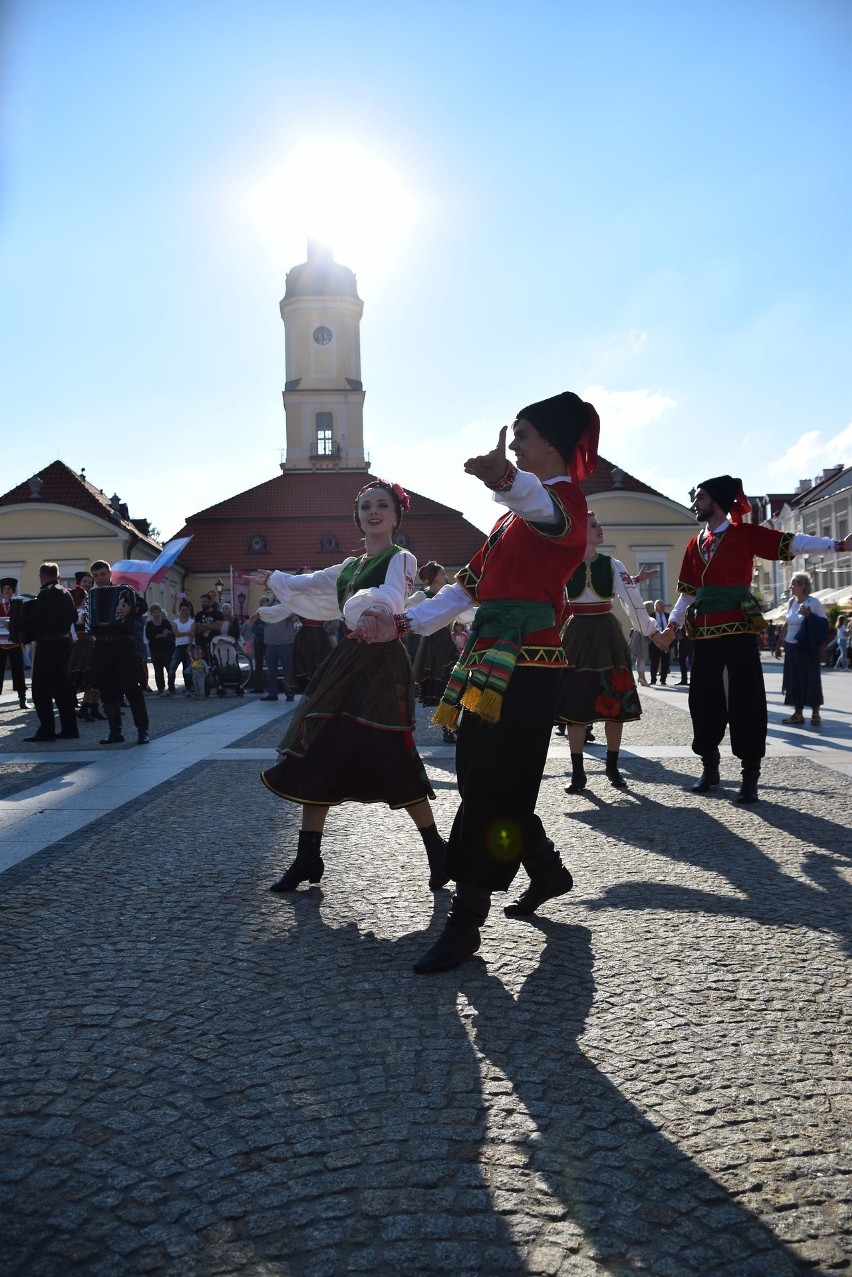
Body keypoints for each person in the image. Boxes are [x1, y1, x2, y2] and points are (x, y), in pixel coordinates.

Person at [355, 390, 597, 974]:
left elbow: (544, 507)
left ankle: (466, 922)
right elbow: (467, 588)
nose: (514, 443)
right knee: (491, 780)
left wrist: (507, 477)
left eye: (524, 435)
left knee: (492, 788)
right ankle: (544, 867)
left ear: (553, 444)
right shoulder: (508, 518)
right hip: (489, 660)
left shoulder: (565, 505)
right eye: (513, 437)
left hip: (530, 667)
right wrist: (404, 624)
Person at [255, 479, 448, 894]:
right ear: (357, 517)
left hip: (381, 662)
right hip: (347, 660)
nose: (373, 512)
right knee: (316, 746)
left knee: (391, 752)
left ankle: (437, 850)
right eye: (365, 507)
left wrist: (364, 607)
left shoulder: (402, 558)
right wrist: (274, 577)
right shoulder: (349, 566)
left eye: (382, 505)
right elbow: (309, 585)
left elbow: (392, 596)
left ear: (397, 515)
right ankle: (308, 857)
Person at [655, 475, 852, 803]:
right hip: (703, 630)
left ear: (716, 501)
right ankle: (710, 766)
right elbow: (687, 594)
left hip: (739, 628)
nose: (695, 504)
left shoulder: (744, 534)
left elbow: (790, 542)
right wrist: (671, 627)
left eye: (700, 498)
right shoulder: (694, 543)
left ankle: (750, 776)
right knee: (702, 700)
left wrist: (837, 546)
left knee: (746, 699)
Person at [556, 512, 658, 793]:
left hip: (606, 634)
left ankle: (612, 767)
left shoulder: (613, 564)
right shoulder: (564, 564)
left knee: (614, 701)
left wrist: (650, 630)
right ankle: (578, 773)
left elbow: (632, 603)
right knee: (576, 707)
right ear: (579, 532)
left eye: (599, 524)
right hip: (575, 634)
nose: (600, 528)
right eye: (592, 525)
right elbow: (550, 598)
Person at [88, 560, 150, 745]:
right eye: (96, 575)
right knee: (107, 689)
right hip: (102, 646)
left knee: (132, 688)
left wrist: (131, 608)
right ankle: (115, 732)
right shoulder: (91, 596)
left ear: (109, 574)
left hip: (123, 645)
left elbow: (143, 606)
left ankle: (143, 730)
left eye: (103, 574)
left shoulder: (124, 591)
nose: (100, 578)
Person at [21, 563, 79, 742]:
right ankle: (70, 729)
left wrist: (19, 622)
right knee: (63, 689)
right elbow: (75, 617)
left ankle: (47, 730)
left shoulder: (45, 594)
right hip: (63, 644)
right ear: (58, 576)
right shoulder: (66, 593)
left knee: (41, 689)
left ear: (42, 576)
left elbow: (35, 620)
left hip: (47, 646)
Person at [773, 573, 828, 727]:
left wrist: (809, 615)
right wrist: (779, 644)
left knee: (811, 678)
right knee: (794, 679)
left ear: (802, 585)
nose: (790, 587)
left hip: (806, 647)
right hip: (791, 647)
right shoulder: (791, 602)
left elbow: (823, 625)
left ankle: (815, 713)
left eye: (793, 584)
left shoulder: (814, 603)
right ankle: (798, 714)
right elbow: (787, 623)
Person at [0, 577, 27, 709]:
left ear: (13, 591)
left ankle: (22, 699)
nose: (7, 591)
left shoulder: (19, 605)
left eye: (9, 589)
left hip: (15, 643)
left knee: (18, 671)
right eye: (4, 589)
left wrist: (13, 624)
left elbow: (23, 622)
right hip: (0, 645)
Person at [261, 608, 298, 702]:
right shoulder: (268, 607)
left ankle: (289, 692)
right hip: (270, 642)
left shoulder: (287, 606)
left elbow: (294, 616)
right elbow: (261, 612)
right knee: (271, 670)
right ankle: (272, 692)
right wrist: (271, 602)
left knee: (288, 669)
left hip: (285, 642)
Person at [145, 604, 175, 695]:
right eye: (154, 613)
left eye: (158, 612)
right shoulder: (149, 624)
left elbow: (172, 633)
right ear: (151, 614)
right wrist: (162, 635)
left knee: (169, 668)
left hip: (167, 649)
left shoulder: (165, 622)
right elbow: (149, 636)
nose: (157, 614)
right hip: (155, 650)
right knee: (158, 670)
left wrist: (167, 633)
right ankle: (160, 688)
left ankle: (171, 687)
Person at [167, 600, 195, 694]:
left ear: (189, 610)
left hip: (189, 646)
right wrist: (187, 633)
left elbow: (192, 635)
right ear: (180, 610)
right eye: (182, 610)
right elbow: (177, 634)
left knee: (187, 669)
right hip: (179, 646)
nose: (184, 612)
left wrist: (190, 646)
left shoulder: (192, 622)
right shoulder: (175, 622)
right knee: (172, 667)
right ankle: (171, 688)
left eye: (186, 610)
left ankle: (187, 688)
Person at [647, 599, 671, 684]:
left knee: (665, 662)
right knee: (654, 661)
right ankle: (653, 679)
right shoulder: (651, 616)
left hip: (667, 642)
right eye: (661, 606)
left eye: (664, 606)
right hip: (654, 643)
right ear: (656, 607)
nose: (664, 608)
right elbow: (648, 629)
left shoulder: (668, 616)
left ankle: (663, 680)